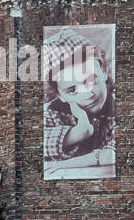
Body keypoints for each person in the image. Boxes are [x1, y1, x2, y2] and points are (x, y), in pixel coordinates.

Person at [43, 27, 116, 175]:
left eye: (90, 80)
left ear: (102, 69)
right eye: (72, 90)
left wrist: (64, 165)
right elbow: (29, 147)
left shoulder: (124, 106)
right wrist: (77, 133)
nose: (87, 94)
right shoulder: (50, 112)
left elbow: (111, 155)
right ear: (60, 95)